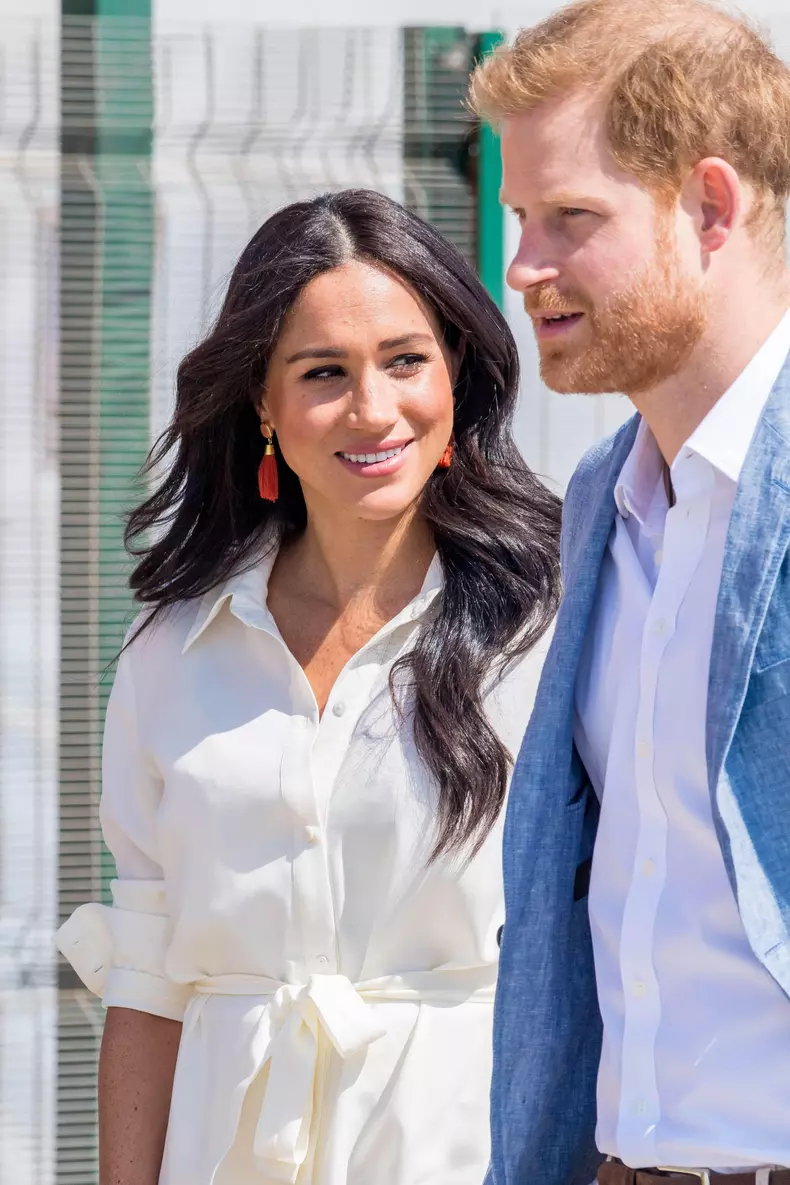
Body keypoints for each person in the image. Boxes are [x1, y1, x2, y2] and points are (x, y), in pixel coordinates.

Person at [55, 189, 561, 1185]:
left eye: (405, 360)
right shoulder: (172, 650)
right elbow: (147, 978)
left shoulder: (544, 628)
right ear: (263, 403)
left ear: (456, 374)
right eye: (324, 372)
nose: (373, 409)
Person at [469, 2, 790, 1184]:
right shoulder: (603, 501)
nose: (523, 267)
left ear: (709, 207)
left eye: (570, 218)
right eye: (520, 219)